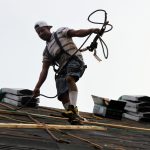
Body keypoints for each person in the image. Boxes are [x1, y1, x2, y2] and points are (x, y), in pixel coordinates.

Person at [33, 21, 101, 123]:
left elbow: (76, 33)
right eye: (38, 33)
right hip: (62, 67)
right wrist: (37, 87)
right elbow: (44, 70)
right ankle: (73, 116)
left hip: (74, 59)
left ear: (48, 28)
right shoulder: (46, 51)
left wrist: (91, 30)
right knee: (62, 93)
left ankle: (72, 108)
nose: (41, 34)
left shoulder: (60, 32)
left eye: (42, 30)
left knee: (69, 78)